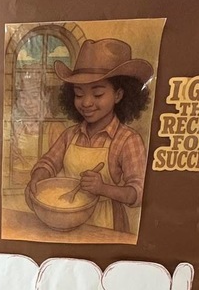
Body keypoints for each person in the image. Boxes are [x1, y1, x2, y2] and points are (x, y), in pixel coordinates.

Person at [26, 38, 153, 232]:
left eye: (98, 94)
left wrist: (103, 189)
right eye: (79, 94)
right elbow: (49, 162)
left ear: (118, 95)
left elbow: (139, 192)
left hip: (106, 227)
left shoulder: (128, 140)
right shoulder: (70, 135)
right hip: (65, 221)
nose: (86, 102)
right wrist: (38, 177)